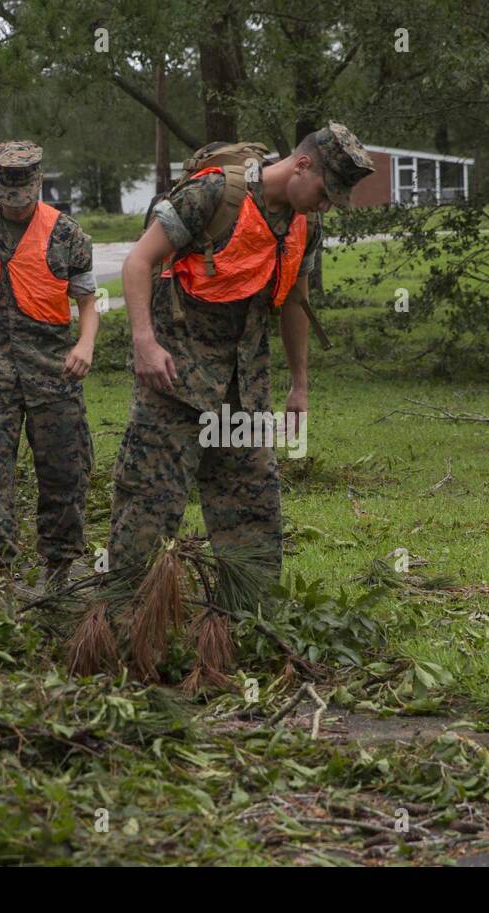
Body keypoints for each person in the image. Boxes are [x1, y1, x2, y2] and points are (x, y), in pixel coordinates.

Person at [108, 121, 374, 586]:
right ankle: (122, 617)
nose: (326, 202)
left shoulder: (305, 223)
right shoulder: (212, 194)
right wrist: (144, 342)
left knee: (252, 509)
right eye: (325, 190)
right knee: (149, 504)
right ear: (301, 164)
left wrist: (299, 385)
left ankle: (249, 620)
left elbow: (295, 300)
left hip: (243, 387)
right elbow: (138, 261)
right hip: (173, 380)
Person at [0, 141, 100, 585]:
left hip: (53, 371)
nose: (14, 206)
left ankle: (60, 567)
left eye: (22, 197)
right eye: (6, 198)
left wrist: (85, 345)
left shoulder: (67, 233)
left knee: (64, 471)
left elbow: (87, 301)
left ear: (38, 184)